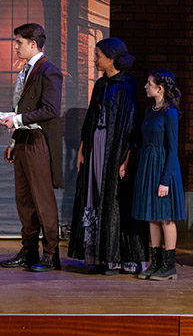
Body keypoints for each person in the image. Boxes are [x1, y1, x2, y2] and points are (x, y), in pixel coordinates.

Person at [68, 37, 148, 275]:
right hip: (97, 144)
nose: (95, 60)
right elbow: (91, 118)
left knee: (113, 198)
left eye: (98, 56)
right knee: (94, 195)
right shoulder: (101, 84)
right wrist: (82, 149)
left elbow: (132, 124)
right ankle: (98, 257)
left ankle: (117, 258)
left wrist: (126, 157)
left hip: (115, 148)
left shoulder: (127, 85)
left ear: (111, 59)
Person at [0, 23, 63, 272]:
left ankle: (51, 254)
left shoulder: (48, 71)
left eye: (19, 43)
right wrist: (14, 141)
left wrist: (17, 121)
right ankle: (29, 252)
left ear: (33, 44)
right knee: (24, 199)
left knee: (42, 199)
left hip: (37, 140)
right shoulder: (26, 69)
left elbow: (51, 109)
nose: (16, 47)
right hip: (24, 139)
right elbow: (20, 107)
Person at [131, 69, 185, 280]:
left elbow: (173, 149)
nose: (146, 87)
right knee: (152, 217)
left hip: (163, 167)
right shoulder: (149, 111)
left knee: (165, 218)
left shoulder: (169, 113)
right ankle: (155, 263)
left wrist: (165, 180)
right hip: (148, 166)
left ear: (160, 88)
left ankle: (169, 266)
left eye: (149, 84)